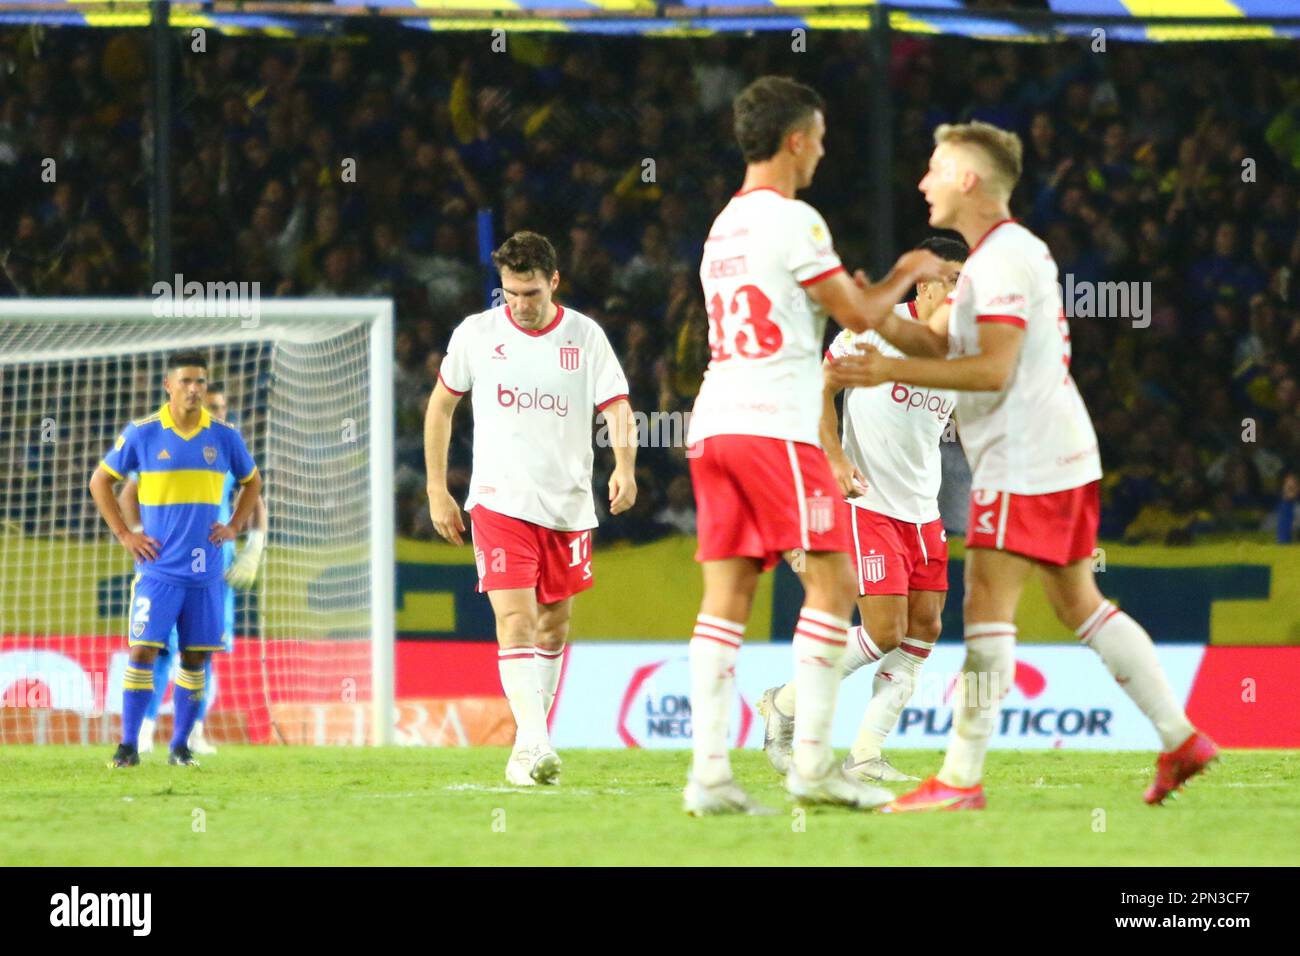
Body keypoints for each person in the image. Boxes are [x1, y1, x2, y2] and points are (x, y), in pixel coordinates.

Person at [829, 121, 1217, 811]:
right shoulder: (993, 261)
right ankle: (1180, 736)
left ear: (969, 181)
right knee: (1080, 604)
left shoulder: (1003, 263)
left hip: (1026, 459)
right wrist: (874, 316)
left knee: (984, 610)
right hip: (1059, 454)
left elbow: (990, 369)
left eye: (936, 169)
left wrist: (886, 365)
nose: (923, 182)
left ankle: (958, 779)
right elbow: (940, 341)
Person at [683, 75, 944, 816]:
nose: (824, 154)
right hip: (776, 424)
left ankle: (707, 777)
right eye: (821, 140)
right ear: (795, 139)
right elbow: (859, 310)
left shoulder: (721, 228)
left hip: (714, 423)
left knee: (726, 597)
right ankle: (812, 765)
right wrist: (910, 272)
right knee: (835, 588)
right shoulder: (795, 221)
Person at [425, 230, 637, 787]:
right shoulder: (477, 334)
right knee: (514, 620)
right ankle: (538, 741)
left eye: (531, 292)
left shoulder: (585, 337)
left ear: (555, 282)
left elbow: (617, 406)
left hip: (567, 505)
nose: (520, 304)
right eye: (511, 293)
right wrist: (436, 489)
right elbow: (441, 408)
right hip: (499, 501)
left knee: (553, 626)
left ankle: (524, 748)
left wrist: (624, 465)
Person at [758, 236, 968, 784]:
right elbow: (818, 391)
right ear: (924, 286)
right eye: (954, 281)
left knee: (926, 626)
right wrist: (834, 458)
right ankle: (782, 703)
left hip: (925, 510)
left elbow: (964, 416)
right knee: (884, 630)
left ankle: (867, 753)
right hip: (867, 501)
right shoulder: (873, 329)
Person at [89, 352, 262, 768]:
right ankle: (129, 744)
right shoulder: (143, 434)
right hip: (158, 570)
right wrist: (126, 534)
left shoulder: (223, 435)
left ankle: (181, 747)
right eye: (186, 381)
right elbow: (101, 482)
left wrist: (236, 526)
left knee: (195, 656)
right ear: (169, 385)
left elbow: (253, 482)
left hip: (206, 573)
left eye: (200, 381)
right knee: (144, 651)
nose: (194, 389)